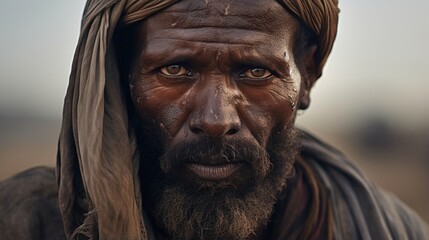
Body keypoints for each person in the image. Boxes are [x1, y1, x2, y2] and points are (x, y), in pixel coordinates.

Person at [1, 0, 428, 239]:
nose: (216, 118)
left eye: (256, 72)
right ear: (120, 74)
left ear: (308, 75)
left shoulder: (388, 230)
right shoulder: (23, 225)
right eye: (175, 69)